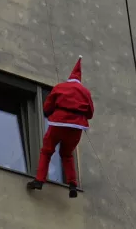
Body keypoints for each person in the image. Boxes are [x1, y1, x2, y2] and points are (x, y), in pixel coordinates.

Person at [27, 57, 94, 198]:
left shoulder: (59, 87)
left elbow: (47, 106)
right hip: (76, 128)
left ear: (70, 77)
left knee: (47, 151)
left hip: (58, 124)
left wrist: (49, 113)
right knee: (67, 154)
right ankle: (72, 184)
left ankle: (39, 179)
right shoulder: (86, 92)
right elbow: (90, 113)